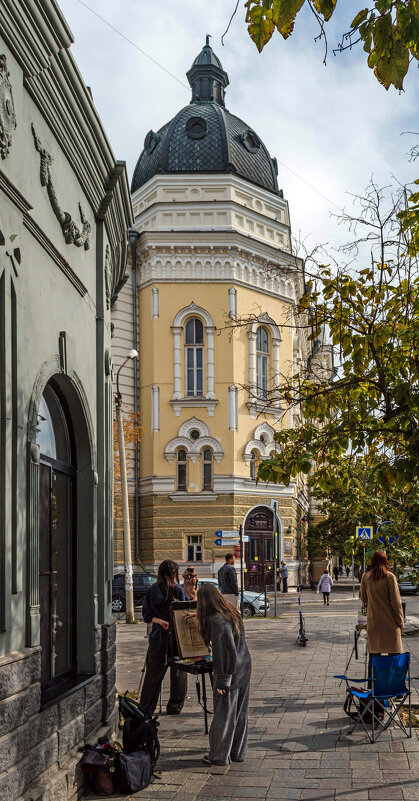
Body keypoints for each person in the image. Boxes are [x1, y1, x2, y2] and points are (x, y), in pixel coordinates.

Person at [196, 584, 251, 766]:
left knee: (223, 715)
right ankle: (237, 753)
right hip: (244, 667)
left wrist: (221, 681)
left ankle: (219, 756)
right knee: (240, 714)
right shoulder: (231, 612)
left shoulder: (217, 621)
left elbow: (224, 653)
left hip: (231, 672)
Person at [140, 559, 189, 715]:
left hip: (157, 638)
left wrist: (159, 621)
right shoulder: (178, 590)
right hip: (177, 639)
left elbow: (146, 615)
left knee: (152, 675)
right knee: (179, 674)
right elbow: (185, 612)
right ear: (174, 573)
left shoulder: (152, 590)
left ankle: (146, 708)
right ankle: (175, 707)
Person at [360, 550, 404, 664]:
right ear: (385, 561)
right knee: (394, 658)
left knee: (374, 658)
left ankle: (375, 680)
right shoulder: (389, 577)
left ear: (373, 562)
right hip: (390, 624)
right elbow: (396, 603)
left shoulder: (366, 577)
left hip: (373, 623)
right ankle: (392, 681)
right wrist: (401, 622)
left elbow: (364, 599)